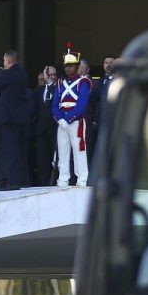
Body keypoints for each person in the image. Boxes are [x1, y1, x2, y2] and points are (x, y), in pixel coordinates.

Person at [0, 50, 30, 191]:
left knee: (10, 151)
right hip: (18, 118)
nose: (3, 64)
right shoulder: (21, 73)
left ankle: (13, 181)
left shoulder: (9, 74)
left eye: (5, 61)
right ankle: (19, 179)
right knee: (17, 150)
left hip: (8, 119)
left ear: (8, 61)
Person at [52, 44, 91, 187]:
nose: (68, 68)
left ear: (77, 66)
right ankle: (63, 179)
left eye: (72, 65)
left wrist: (68, 119)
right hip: (62, 121)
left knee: (79, 150)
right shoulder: (59, 83)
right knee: (62, 151)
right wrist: (60, 119)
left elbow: (82, 104)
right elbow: (55, 105)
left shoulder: (83, 82)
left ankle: (82, 179)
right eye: (66, 65)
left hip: (76, 121)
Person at [33, 65, 58, 186]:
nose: (51, 77)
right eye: (49, 74)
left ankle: (55, 182)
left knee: (56, 160)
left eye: (54, 75)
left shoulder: (59, 88)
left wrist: (51, 84)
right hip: (41, 131)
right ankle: (42, 183)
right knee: (42, 161)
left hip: (55, 130)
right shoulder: (38, 91)